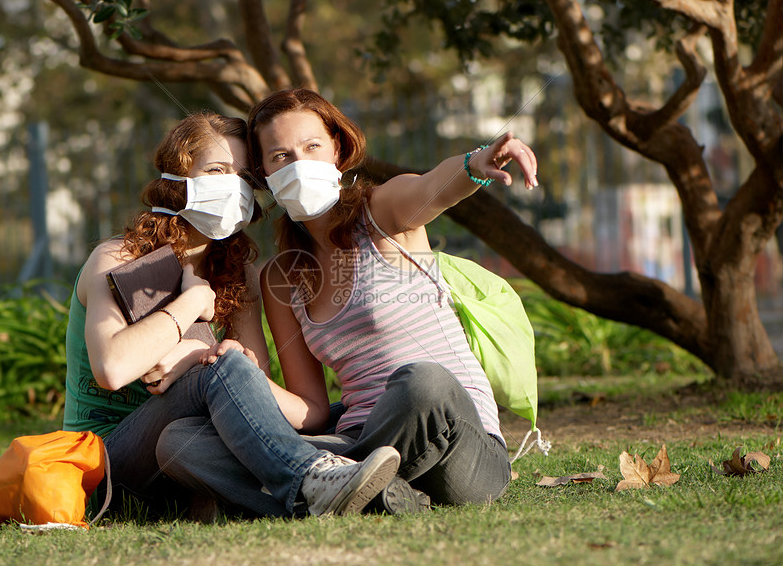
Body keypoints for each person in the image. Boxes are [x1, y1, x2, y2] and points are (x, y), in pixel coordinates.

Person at [62, 111, 400, 520]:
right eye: (217, 170)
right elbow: (111, 368)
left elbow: (253, 391)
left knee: (204, 406)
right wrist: (191, 305)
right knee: (217, 368)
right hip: (105, 464)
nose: (231, 186)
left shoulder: (240, 276)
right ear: (178, 179)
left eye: (243, 178)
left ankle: (325, 494)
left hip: (180, 449)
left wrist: (200, 356)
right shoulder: (118, 257)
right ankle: (311, 474)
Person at [247, 88, 539, 511]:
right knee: (185, 444)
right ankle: (374, 490)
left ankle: (316, 486)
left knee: (424, 380)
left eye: (312, 146)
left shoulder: (381, 213)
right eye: (280, 157)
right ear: (264, 175)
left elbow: (432, 189)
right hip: (358, 439)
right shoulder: (281, 277)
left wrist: (474, 164)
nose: (299, 164)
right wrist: (238, 374)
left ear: (337, 150)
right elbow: (311, 410)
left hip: (461, 446)